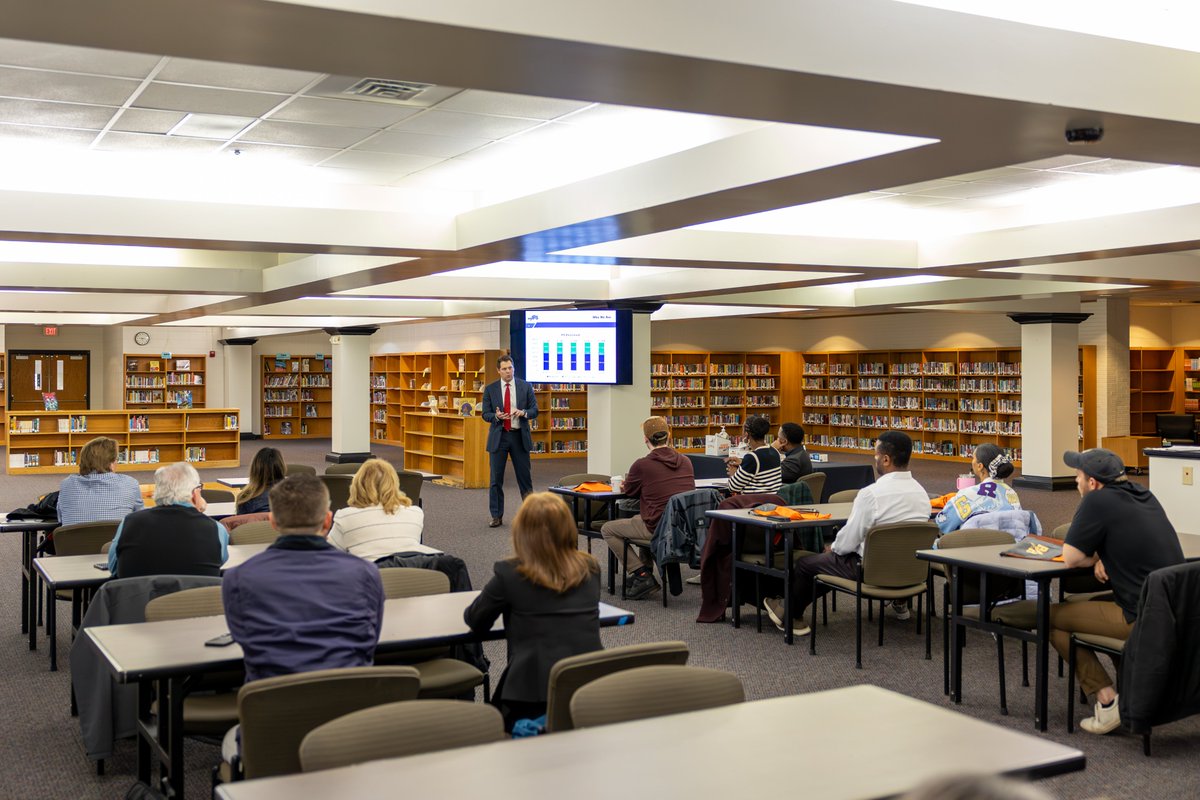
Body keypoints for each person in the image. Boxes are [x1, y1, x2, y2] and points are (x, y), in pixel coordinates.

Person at [1051, 448, 1184, 734]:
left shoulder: (1096, 500)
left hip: (1143, 618)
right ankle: (1132, 691)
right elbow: (1127, 537)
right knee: (1096, 603)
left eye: (1078, 476)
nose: (1075, 481)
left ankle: (1108, 702)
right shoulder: (1143, 493)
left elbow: (1071, 558)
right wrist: (1102, 556)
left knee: (1051, 618)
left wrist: (1094, 558)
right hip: (1176, 612)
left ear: (1093, 482)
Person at [763, 431, 932, 635]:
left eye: (876, 455)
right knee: (828, 563)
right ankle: (900, 602)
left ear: (886, 459)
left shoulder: (871, 494)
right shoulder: (922, 494)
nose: (875, 459)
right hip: (910, 570)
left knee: (807, 564)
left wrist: (833, 548)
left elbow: (850, 539)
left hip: (870, 571)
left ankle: (788, 614)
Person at [223, 474, 385, 684]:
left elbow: (245, 641)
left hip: (272, 698)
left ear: (272, 522)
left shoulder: (237, 578)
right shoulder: (366, 573)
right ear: (328, 520)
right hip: (350, 696)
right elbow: (371, 638)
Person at [464, 492, 601, 730]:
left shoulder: (511, 573)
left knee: (488, 728)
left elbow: (476, 620)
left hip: (532, 693)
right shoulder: (590, 568)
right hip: (589, 685)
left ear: (522, 532)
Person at [600, 416, 695, 600]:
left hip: (658, 528)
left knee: (608, 529)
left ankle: (642, 574)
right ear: (668, 435)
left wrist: (626, 485)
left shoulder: (642, 465)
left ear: (645, 439)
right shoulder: (686, 461)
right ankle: (648, 570)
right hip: (683, 529)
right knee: (642, 517)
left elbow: (630, 492)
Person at [108, 462, 229, 578]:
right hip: (196, 593)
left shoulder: (129, 523)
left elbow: (113, 568)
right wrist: (198, 512)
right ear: (194, 493)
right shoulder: (216, 529)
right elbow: (218, 563)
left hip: (139, 593)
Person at [329, 459, 438, 561]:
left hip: (368, 574)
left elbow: (328, 554)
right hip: (408, 573)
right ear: (394, 483)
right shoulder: (416, 513)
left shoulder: (345, 517)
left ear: (357, 484)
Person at [481, 353, 538, 528]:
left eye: (510, 368)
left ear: (513, 368)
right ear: (498, 371)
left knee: (525, 479)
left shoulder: (525, 386)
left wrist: (523, 412)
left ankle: (531, 515)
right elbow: (485, 414)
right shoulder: (490, 389)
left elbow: (534, 410)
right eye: (504, 369)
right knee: (495, 480)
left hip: (519, 436)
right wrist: (496, 416)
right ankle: (496, 516)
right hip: (499, 436)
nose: (508, 371)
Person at [57, 436, 143, 526]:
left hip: (74, 535)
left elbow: (61, 518)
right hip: (116, 535)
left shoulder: (67, 484)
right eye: (116, 459)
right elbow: (141, 520)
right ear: (111, 463)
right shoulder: (130, 483)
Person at [935, 443, 1020, 533]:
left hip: (972, 540)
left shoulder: (968, 494)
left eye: (973, 458)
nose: (972, 461)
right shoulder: (1012, 493)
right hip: (1009, 540)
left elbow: (943, 524)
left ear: (980, 466)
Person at [726, 414, 783, 494]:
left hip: (754, 500)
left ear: (746, 434)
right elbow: (761, 470)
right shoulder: (775, 451)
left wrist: (733, 474)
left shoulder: (752, 457)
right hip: (774, 499)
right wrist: (743, 463)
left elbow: (733, 487)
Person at [235, 447, 285, 515]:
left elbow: (239, 520)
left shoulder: (245, 498)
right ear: (281, 467)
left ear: (254, 469)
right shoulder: (295, 495)